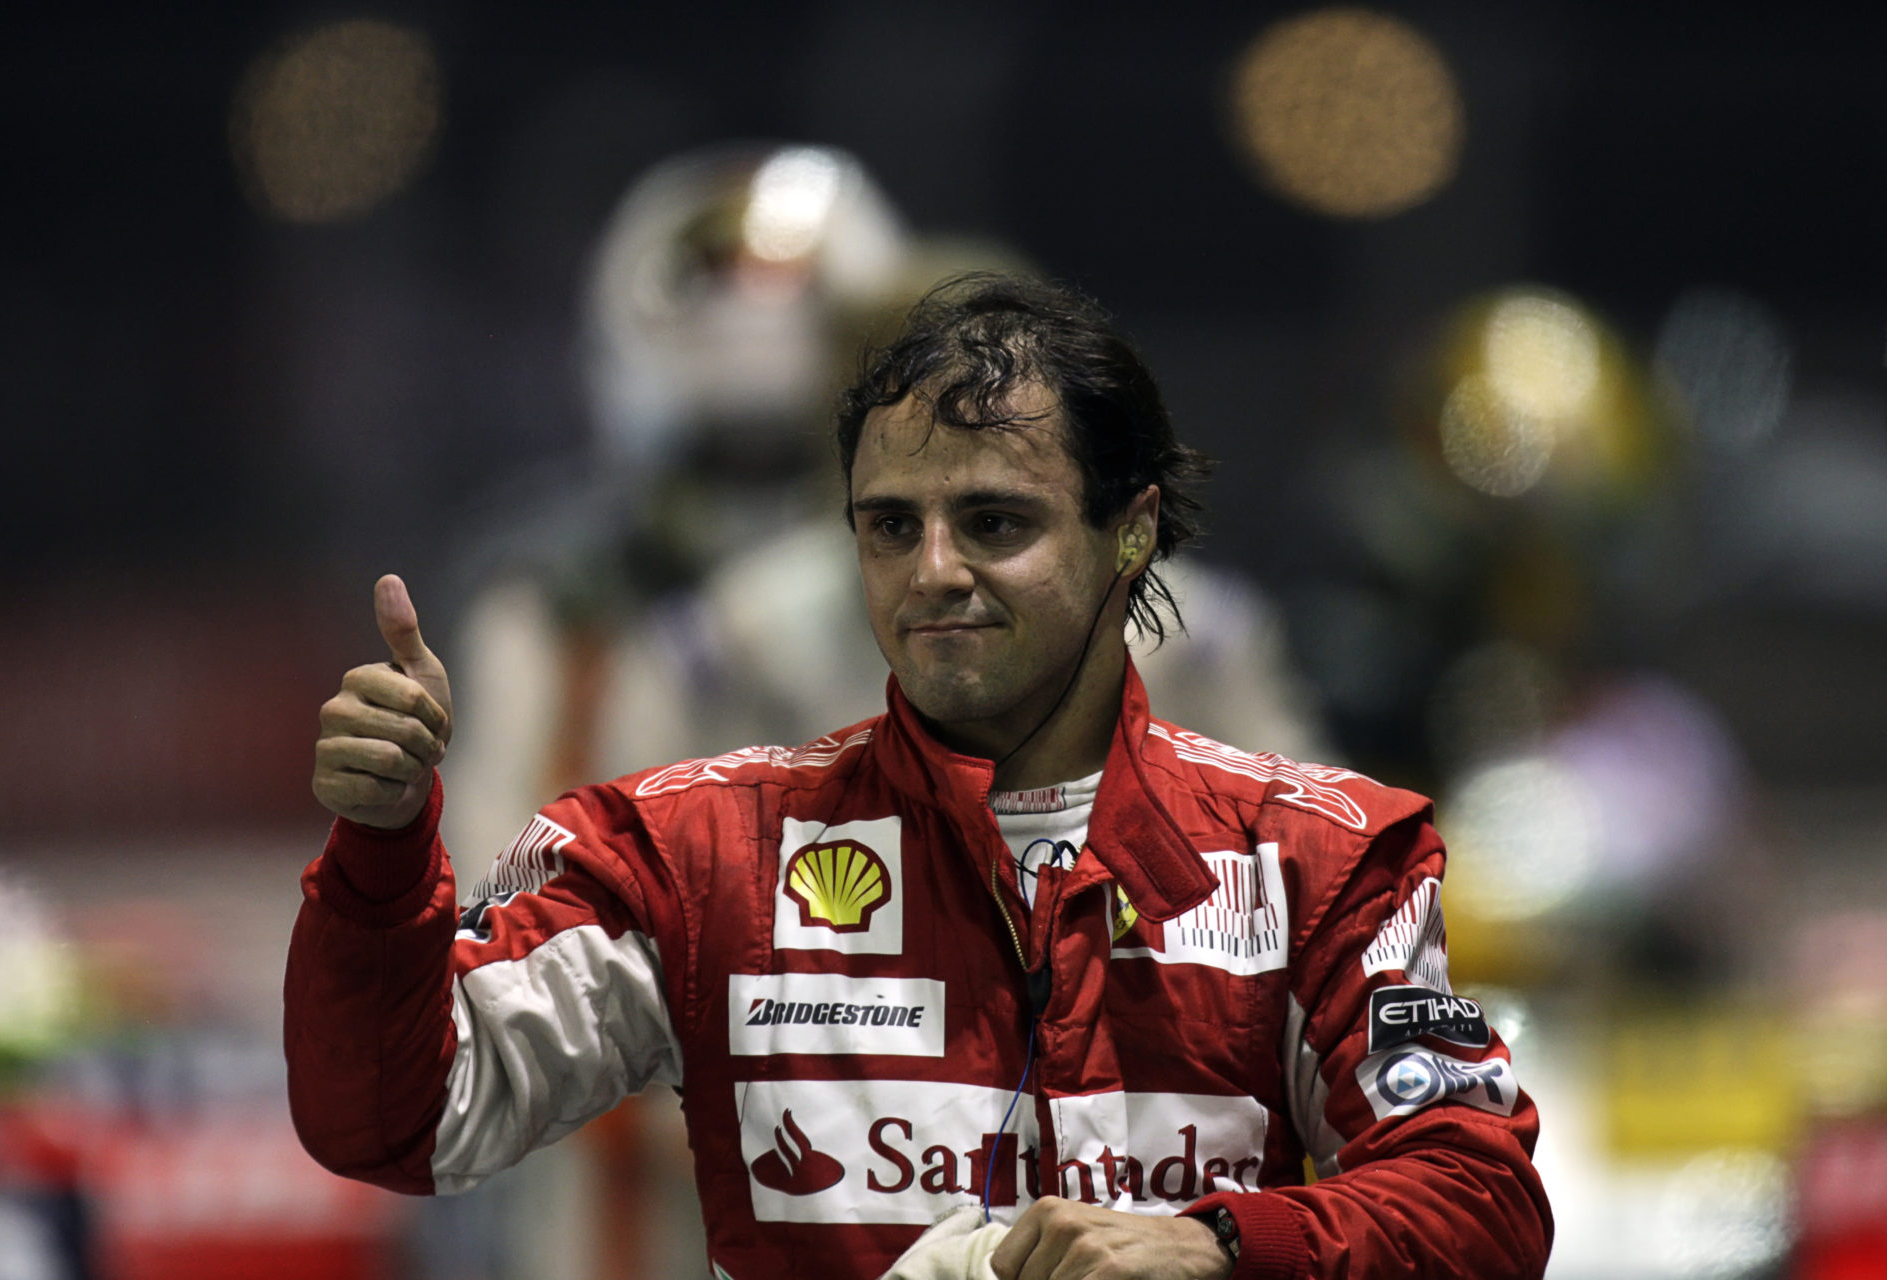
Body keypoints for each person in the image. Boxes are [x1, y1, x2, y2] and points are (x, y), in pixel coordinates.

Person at [288, 274, 1551, 1278]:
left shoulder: (1324, 856)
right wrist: (383, 852)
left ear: (1134, 528)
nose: (932, 569)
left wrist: (1219, 1244)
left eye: (996, 522)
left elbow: (1484, 1200)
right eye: (890, 524)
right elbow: (399, 1117)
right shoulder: (693, 850)